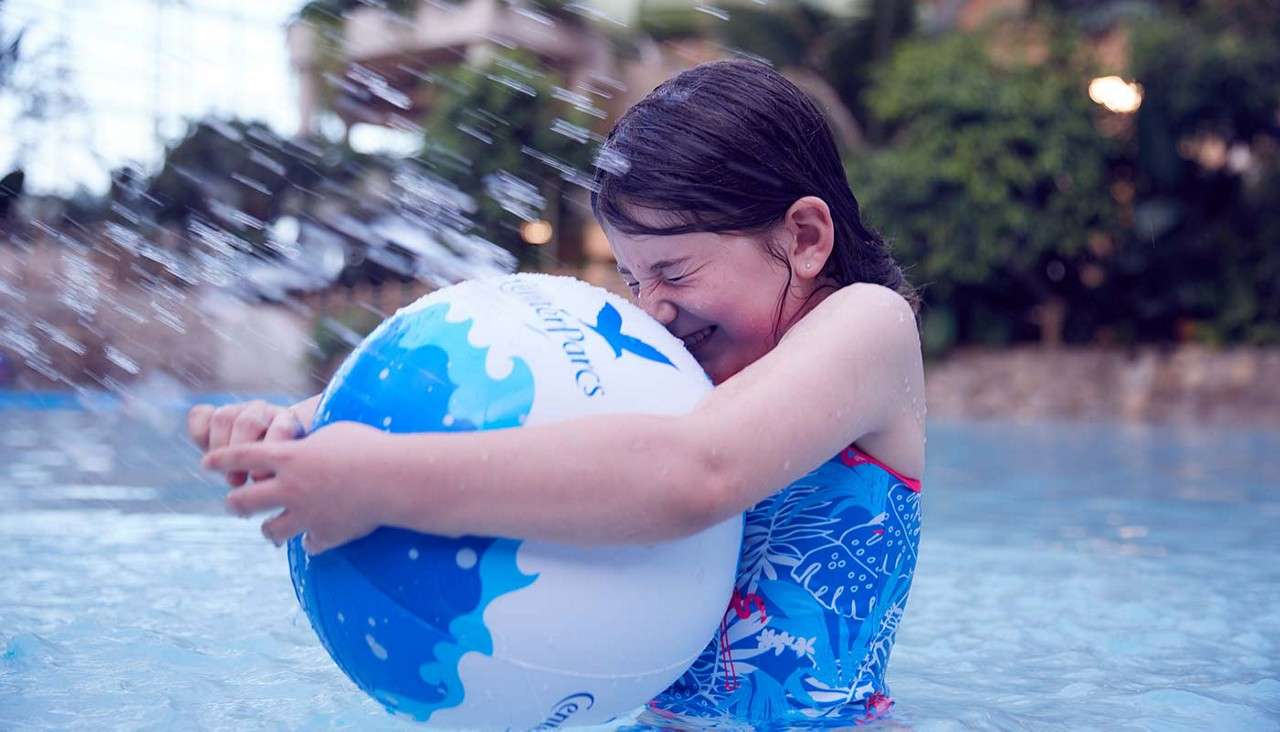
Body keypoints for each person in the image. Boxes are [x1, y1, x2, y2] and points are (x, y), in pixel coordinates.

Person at [190, 59, 925, 727]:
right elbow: (520, 405)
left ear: (803, 237)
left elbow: (699, 472)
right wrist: (299, 433)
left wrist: (373, 479)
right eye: (635, 278)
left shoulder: (868, 327)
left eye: (674, 270)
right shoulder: (687, 364)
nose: (653, 307)